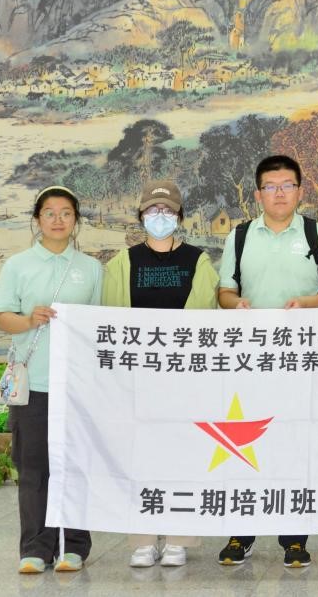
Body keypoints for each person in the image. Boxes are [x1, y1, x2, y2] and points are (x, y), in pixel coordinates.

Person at [214, 155, 318, 568]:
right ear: (257, 194)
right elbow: (224, 291)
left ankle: (294, 537)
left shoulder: (316, 234)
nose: (279, 193)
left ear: (299, 191)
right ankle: (242, 533)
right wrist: (236, 304)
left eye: (287, 185)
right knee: (245, 442)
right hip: (250, 358)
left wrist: (307, 303)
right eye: (270, 187)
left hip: (300, 359)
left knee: (295, 443)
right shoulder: (239, 237)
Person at [101, 180, 219, 567]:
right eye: (152, 211)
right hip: (139, 379)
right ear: (141, 216)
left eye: (168, 211)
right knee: (140, 457)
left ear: (180, 217)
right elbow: (113, 321)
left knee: (183, 455)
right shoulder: (123, 263)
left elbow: (204, 316)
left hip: (184, 378)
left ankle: (178, 538)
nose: (160, 217)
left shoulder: (198, 261)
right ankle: (143, 538)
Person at [0, 186, 103, 575]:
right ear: (37, 219)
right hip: (34, 385)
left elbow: (97, 325)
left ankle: (75, 547)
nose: (58, 220)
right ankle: (35, 548)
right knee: (34, 469)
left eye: (66, 213)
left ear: (76, 220)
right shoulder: (18, 265)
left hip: (77, 385)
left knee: (76, 466)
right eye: (50, 213)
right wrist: (28, 320)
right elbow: (2, 317)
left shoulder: (91, 268)